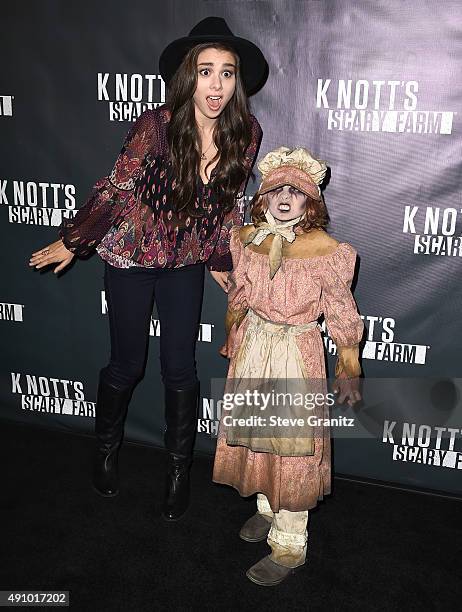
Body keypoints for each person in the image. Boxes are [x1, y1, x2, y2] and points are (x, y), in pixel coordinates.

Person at [28, 17, 266, 522]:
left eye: (227, 73)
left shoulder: (247, 134)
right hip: (131, 257)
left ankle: (178, 470)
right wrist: (77, 240)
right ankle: (106, 449)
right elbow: (118, 187)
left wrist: (223, 261)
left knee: (181, 368)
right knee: (127, 364)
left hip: (184, 261)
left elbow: (228, 207)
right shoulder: (158, 126)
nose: (217, 85)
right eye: (206, 72)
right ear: (188, 76)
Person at [212, 146, 364, 585]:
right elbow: (239, 296)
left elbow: (341, 312)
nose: (283, 198)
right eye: (275, 189)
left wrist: (348, 363)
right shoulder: (245, 240)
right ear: (262, 196)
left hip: (296, 352)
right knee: (257, 435)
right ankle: (267, 506)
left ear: (309, 203)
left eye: (295, 193)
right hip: (256, 346)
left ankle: (290, 543)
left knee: (293, 448)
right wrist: (233, 337)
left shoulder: (326, 251)